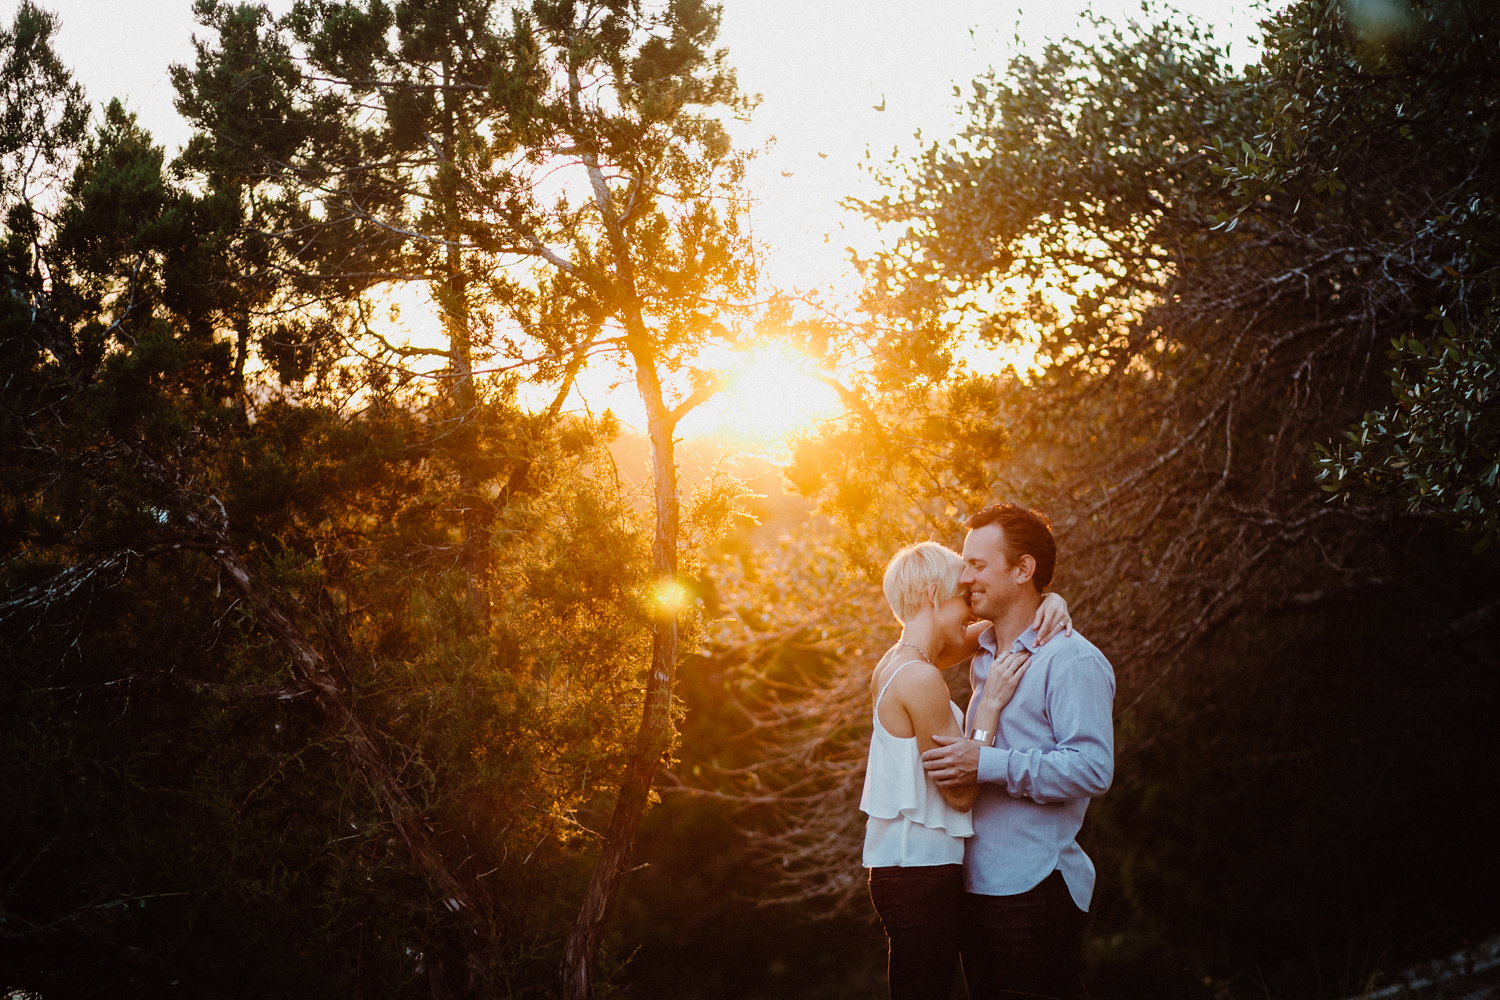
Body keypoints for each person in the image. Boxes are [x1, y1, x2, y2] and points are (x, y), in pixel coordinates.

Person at [861, 541, 1072, 1000]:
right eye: (963, 597)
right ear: (935, 595)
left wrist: (1046, 603)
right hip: (921, 873)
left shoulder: (898, 663)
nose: (972, 608)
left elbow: (990, 633)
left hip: (904, 869)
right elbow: (960, 795)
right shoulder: (921, 679)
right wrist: (989, 708)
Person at [922, 504, 1116, 1000]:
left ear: (1023, 569)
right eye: (964, 565)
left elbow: (1092, 769)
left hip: (1035, 890)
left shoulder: (1071, 659)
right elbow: (920, 645)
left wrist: (984, 763)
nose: (965, 577)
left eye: (978, 565)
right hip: (976, 888)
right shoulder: (982, 648)